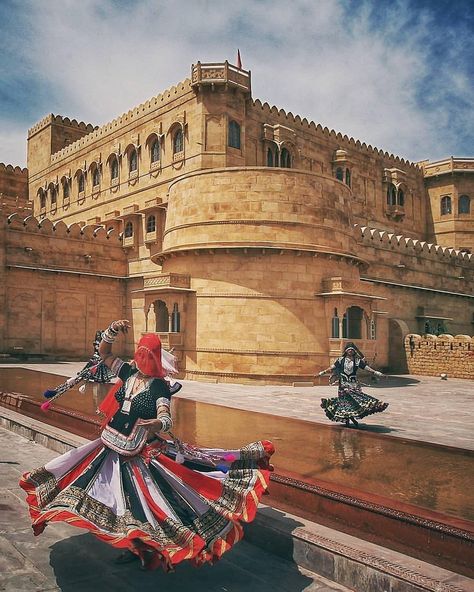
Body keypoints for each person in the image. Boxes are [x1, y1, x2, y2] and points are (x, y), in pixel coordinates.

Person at [20, 320, 274, 572]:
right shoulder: (128, 373)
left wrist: (157, 424)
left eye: (147, 354)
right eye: (140, 352)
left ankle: (144, 548)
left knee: (141, 504)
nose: (142, 357)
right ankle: (135, 545)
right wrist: (112, 331)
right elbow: (105, 353)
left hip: (139, 455)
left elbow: (165, 416)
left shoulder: (159, 386)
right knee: (106, 496)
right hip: (110, 445)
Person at [318, 343, 388, 427]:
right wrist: (322, 372)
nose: (350, 351)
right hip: (343, 383)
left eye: (352, 350)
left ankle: (352, 417)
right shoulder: (340, 360)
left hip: (353, 384)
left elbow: (367, 368)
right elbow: (332, 367)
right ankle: (348, 419)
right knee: (344, 401)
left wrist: (378, 373)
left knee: (355, 399)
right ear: (346, 351)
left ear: (354, 351)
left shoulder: (357, 361)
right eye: (349, 349)